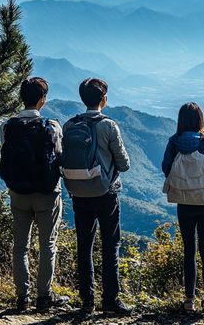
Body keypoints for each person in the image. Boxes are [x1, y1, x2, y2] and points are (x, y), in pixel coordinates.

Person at [63, 78, 132, 314]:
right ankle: (110, 300)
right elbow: (124, 164)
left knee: (85, 246)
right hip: (106, 194)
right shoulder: (108, 126)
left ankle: (86, 300)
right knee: (111, 246)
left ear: (83, 99)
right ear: (104, 98)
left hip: (79, 193)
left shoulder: (69, 125)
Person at [0, 77, 69, 311]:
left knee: (20, 246)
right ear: (42, 99)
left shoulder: (8, 126)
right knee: (47, 245)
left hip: (18, 192)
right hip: (47, 193)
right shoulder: (51, 126)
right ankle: (44, 296)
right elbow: (60, 157)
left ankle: (22, 298)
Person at [162, 102, 204, 312]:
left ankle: (188, 300)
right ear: (200, 119)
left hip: (184, 201)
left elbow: (166, 168)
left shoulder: (173, 142)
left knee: (189, 250)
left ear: (180, 120)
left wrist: (185, 181)